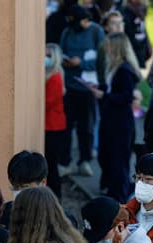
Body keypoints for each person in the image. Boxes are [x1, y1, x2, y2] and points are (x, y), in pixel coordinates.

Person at [90, 32, 141, 202]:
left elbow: (126, 96)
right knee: (107, 156)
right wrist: (102, 88)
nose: (106, 48)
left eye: (109, 45)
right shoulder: (115, 67)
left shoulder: (124, 70)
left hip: (120, 123)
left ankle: (119, 196)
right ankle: (115, 190)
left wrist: (103, 95)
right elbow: (114, 88)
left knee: (118, 160)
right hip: (111, 121)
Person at [58, 5, 105, 177]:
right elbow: (60, 55)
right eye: (84, 20)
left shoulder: (96, 32)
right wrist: (67, 62)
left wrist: (81, 64)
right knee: (67, 126)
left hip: (88, 88)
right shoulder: (67, 32)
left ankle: (84, 161)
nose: (87, 23)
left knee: (87, 127)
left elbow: (102, 59)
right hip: (69, 86)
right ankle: (65, 161)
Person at [44, 43, 66, 198]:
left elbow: (48, 101)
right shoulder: (52, 75)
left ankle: (56, 199)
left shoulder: (55, 76)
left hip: (53, 126)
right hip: (51, 124)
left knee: (52, 166)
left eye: (48, 56)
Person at [96, 10, 125, 85]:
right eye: (114, 23)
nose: (119, 26)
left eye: (120, 22)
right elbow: (101, 73)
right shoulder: (103, 47)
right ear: (106, 27)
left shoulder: (126, 44)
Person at [121, 0, 151, 69]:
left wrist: (148, 44)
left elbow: (142, 28)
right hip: (131, 48)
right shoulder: (125, 12)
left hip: (141, 48)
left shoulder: (141, 8)